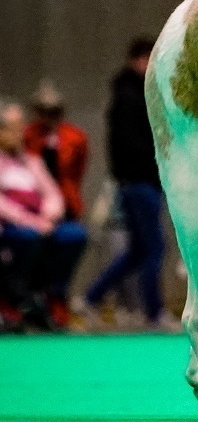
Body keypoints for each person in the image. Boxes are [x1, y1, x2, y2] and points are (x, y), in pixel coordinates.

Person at [82, 38, 173, 329]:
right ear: (137, 60)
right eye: (146, 59)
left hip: (139, 182)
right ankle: (153, 312)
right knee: (155, 248)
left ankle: (89, 299)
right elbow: (132, 144)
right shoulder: (130, 96)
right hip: (138, 183)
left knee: (138, 250)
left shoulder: (136, 93)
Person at [0, 98, 86, 330]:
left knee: (74, 234)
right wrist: (31, 221)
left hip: (41, 224)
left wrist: (49, 214)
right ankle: (13, 297)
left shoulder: (31, 160)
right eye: (13, 128)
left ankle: (53, 295)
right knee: (28, 237)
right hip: (12, 228)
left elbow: (53, 194)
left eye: (21, 126)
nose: (21, 133)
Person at [22, 82, 90, 325]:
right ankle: (30, 301)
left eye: (53, 112)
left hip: (66, 207)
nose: (48, 117)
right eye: (43, 111)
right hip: (30, 209)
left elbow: (78, 170)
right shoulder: (25, 137)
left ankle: (57, 296)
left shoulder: (75, 137)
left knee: (74, 238)